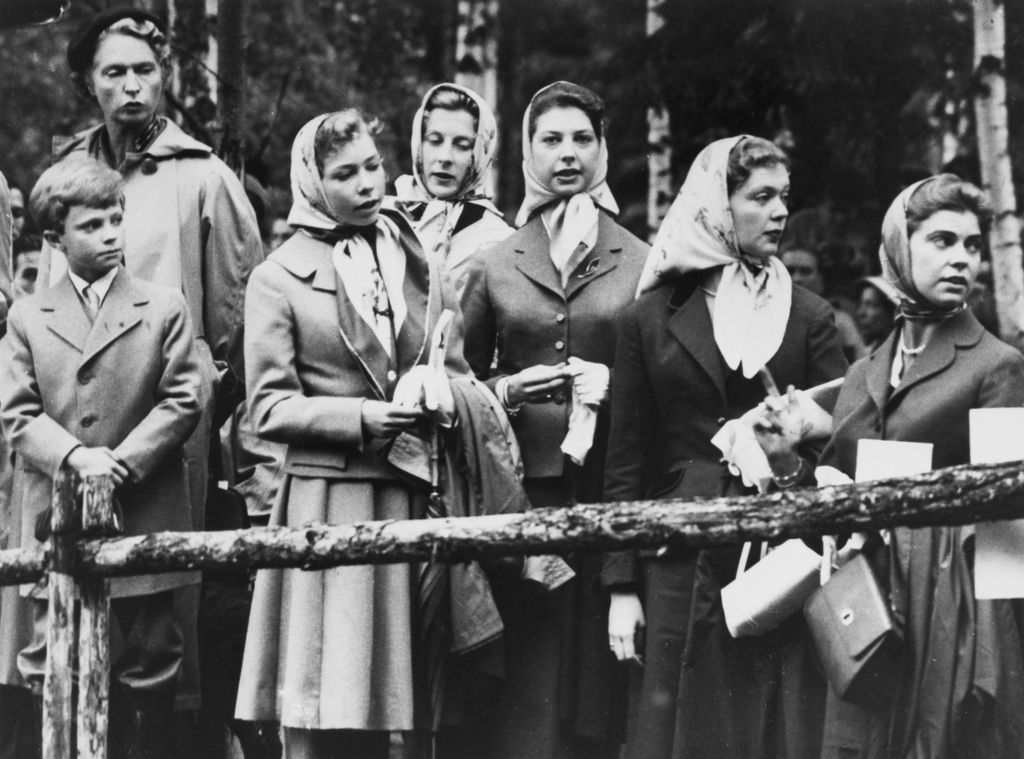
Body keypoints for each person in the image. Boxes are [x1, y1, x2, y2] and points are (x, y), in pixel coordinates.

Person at [34, 6, 263, 714]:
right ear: (86, 84)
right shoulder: (67, 172)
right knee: (74, 597)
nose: (132, 86)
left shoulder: (203, 177)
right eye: (114, 73)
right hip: (73, 423)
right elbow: (46, 298)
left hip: (170, 422)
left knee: (164, 618)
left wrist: (199, 407)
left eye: (145, 70)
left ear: (163, 77)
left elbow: (239, 313)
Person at [756, 173, 1024, 759]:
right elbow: (827, 504)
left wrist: (990, 663)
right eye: (942, 241)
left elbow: (1011, 549)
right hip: (865, 615)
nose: (962, 260)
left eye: (973, 245)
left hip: (953, 624)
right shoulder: (864, 372)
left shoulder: (999, 366)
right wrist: (784, 463)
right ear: (901, 248)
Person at [233, 110, 470, 759]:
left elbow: (452, 359)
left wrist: (445, 394)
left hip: (411, 490)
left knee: (410, 697)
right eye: (345, 174)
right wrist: (362, 420)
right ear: (312, 181)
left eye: (371, 165)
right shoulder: (277, 276)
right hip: (327, 500)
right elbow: (268, 407)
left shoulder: (411, 253)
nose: (368, 183)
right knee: (324, 695)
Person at [601, 136, 847, 759]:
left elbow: (837, 446)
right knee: (675, 726)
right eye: (760, 197)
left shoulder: (809, 316)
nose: (779, 212)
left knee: (764, 722)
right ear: (718, 206)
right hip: (677, 552)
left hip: (776, 552)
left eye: (784, 198)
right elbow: (626, 458)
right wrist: (622, 588)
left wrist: (786, 459)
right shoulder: (650, 319)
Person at [459, 81, 649, 759]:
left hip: (605, 492)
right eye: (551, 139)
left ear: (602, 149)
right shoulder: (495, 262)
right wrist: (507, 390)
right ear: (526, 150)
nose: (567, 154)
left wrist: (617, 387)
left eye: (581, 139)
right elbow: (458, 383)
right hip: (521, 502)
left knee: (594, 688)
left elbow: (663, 382)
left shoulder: (642, 262)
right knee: (525, 692)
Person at [0, 155, 202, 759]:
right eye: (92, 225)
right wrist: (72, 458)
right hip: (53, 514)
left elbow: (185, 397)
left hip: (144, 504)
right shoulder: (29, 315)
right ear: (54, 237)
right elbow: (16, 412)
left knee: (150, 656)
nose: (111, 234)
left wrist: (119, 462)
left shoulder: (163, 306)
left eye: (117, 219)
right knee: (47, 655)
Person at [396, 82, 513, 297]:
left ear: (480, 153)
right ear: (419, 145)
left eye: (461, 145)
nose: (445, 157)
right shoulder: (389, 220)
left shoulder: (497, 241)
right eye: (435, 141)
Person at [783, 246, 867, 362]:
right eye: (789, 271)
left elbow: (859, 368)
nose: (796, 278)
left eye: (805, 271)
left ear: (819, 278)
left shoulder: (839, 322)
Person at [854, 275, 899, 352]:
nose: (860, 313)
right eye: (860, 305)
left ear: (892, 311)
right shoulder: (868, 354)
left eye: (870, 305)